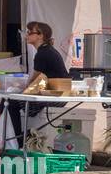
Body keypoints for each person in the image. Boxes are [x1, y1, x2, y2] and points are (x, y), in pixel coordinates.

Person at [7, 21, 70, 149]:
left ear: (40, 36)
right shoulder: (47, 50)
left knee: (11, 102)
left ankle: (18, 141)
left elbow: (34, 80)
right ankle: (18, 138)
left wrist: (22, 89)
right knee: (14, 100)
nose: (27, 35)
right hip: (59, 94)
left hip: (55, 96)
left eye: (30, 32)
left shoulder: (42, 53)